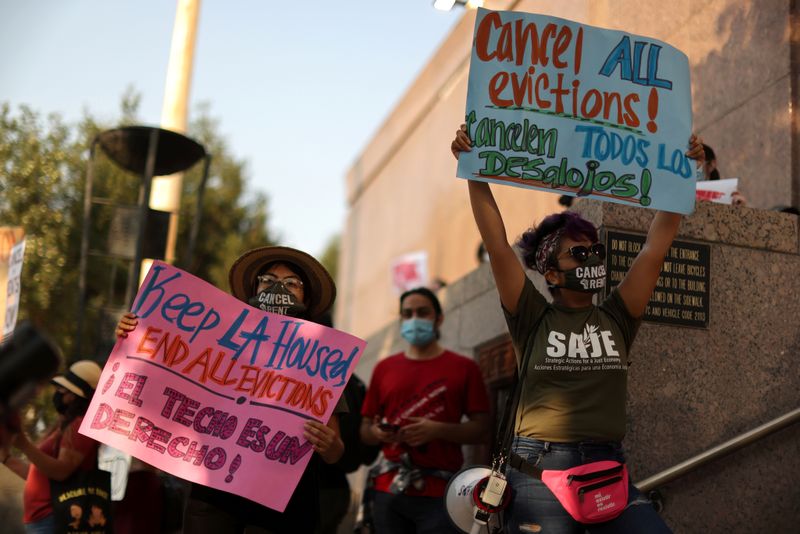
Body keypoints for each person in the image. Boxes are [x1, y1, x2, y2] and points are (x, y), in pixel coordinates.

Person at [451, 124, 704, 533]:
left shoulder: (618, 314)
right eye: (578, 253)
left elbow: (655, 248)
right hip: (538, 473)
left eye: (595, 249)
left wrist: (685, 169)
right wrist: (473, 167)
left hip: (607, 467)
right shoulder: (531, 314)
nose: (591, 259)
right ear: (550, 272)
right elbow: (497, 243)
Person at [115, 246, 346, 534]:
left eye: (291, 284)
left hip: (282, 503)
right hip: (215, 495)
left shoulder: (322, 362)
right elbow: (155, 371)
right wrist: (135, 336)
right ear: (254, 288)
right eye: (268, 280)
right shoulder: (216, 341)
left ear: (306, 298)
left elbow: (335, 452)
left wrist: (329, 444)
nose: (278, 289)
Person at [360, 287, 490, 534]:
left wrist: (439, 430)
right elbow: (363, 430)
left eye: (422, 312)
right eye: (407, 314)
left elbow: (482, 430)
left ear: (438, 318)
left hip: (442, 493)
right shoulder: (384, 368)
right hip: (388, 492)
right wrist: (378, 433)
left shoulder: (464, 368)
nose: (414, 319)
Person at [0, 360, 102, 534]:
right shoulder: (64, 426)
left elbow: (61, 472)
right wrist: (6, 458)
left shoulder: (79, 426)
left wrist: (24, 445)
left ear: (73, 396)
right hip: (42, 519)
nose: (57, 393)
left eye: (62, 390)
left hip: (54, 519)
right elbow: (39, 475)